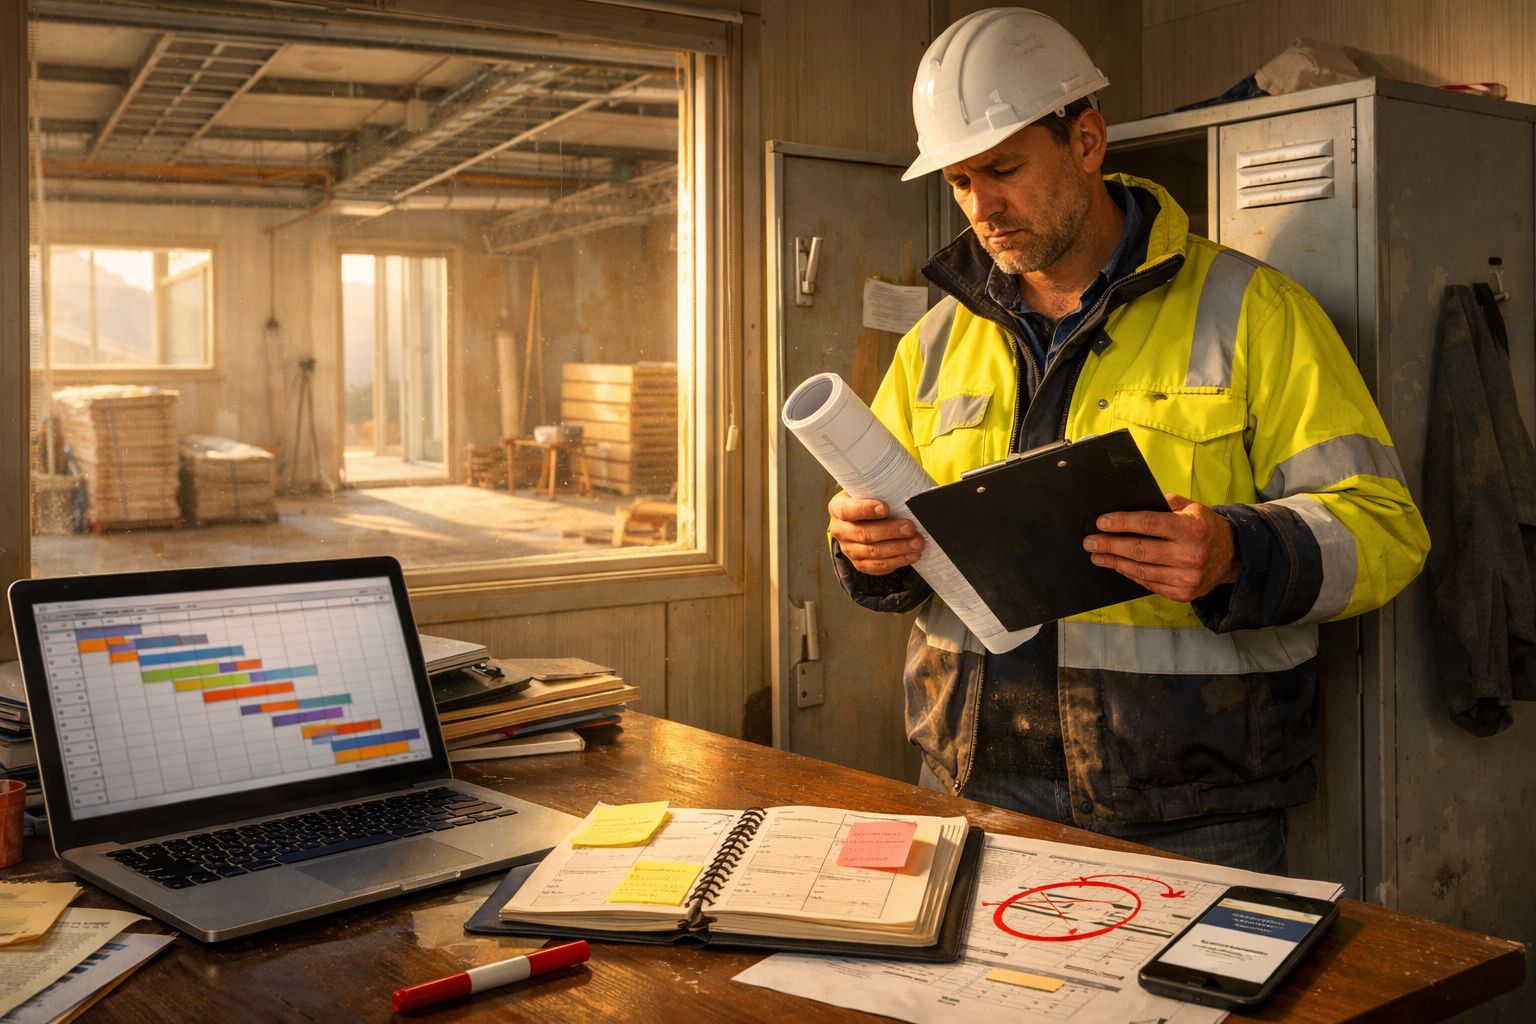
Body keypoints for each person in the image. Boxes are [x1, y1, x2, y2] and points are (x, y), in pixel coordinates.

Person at [827, 7, 1429, 874]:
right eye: (959, 181)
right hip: (970, 783)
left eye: (1003, 169)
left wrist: (1235, 552)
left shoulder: (1255, 314)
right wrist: (865, 550)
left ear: (1087, 140)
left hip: (1194, 805)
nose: (980, 207)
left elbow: (1387, 529)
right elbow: (889, 539)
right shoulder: (935, 340)